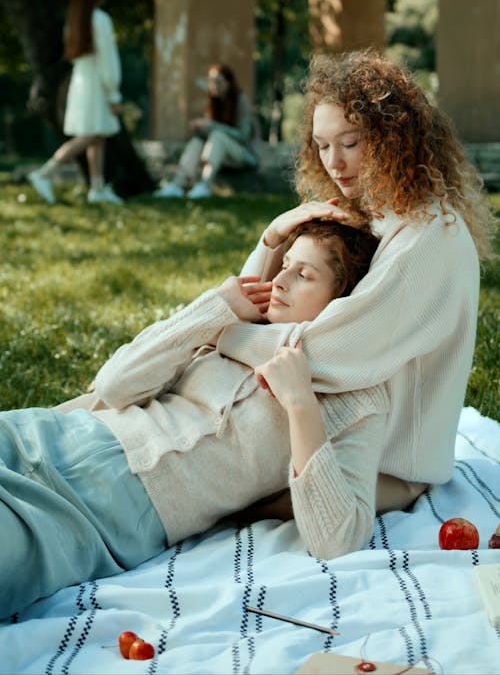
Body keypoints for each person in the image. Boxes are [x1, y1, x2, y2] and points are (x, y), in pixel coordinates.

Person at [0, 218, 385, 619]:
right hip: (50, 436)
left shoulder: (354, 397)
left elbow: (338, 538)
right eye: (284, 263)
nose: (281, 280)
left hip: (102, 513)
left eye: (303, 274)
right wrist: (213, 308)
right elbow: (114, 386)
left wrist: (300, 403)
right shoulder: (239, 327)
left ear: (344, 304)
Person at [215, 48, 496, 522]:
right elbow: (259, 302)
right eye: (322, 146)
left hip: (386, 465)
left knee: (203, 492)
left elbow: (330, 351)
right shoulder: (375, 211)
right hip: (343, 430)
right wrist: (272, 239)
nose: (334, 163)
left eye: (350, 142)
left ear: (394, 139)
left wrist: (219, 332)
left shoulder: (429, 237)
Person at [28, 0, 124, 206]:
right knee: (93, 133)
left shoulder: (74, 20)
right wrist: (114, 92)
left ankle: (97, 187)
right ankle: (45, 172)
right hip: (95, 81)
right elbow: (107, 60)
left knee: (97, 135)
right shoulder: (99, 19)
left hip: (81, 79)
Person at [154, 63, 259, 199]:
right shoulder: (214, 101)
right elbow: (211, 131)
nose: (213, 85)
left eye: (218, 81)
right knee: (198, 140)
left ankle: (204, 185)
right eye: (211, 81)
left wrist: (211, 125)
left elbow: (243, 136)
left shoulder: (241, 101)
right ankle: (176, 185)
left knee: (217, 136)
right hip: (221, 154)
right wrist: (202, 128)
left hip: (245, 156)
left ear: (228, 83)